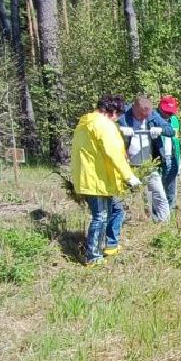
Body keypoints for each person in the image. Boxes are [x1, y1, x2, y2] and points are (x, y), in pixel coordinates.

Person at [69, 95, 140, 265]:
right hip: (96, 180)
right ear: (113, 112)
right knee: (100, 217)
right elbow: (113, 152)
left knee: (116, 210)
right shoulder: (103, 125)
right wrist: (129, 176)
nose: (117, 120)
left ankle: (110, 245)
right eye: (118, 116)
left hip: (93, 178)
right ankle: (93, 257)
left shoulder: (86, 123)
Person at [119, 95, 175, 222]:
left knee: (159, 195)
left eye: (147, 115)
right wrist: (120, 130)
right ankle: (121, 224)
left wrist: (160, 129)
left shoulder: (152, 115)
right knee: (123, 197)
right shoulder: (123, 115)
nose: (145, 118)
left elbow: (171, 130)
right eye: (141, 115)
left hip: (149, 164)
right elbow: (107, 129)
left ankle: (164, 225)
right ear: (134, 108)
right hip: (127, 165)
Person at [157, 95, 181, 211]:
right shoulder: (153, 119)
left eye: (171, 112)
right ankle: (156, 216)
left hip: (172, 158)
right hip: (158, 160)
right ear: (160, 107)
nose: (169, 114)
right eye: (167, 112)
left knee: (171, 190)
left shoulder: (174, 121)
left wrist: (179, 161)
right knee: (158, 190)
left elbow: (177, 142)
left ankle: (170, 215)